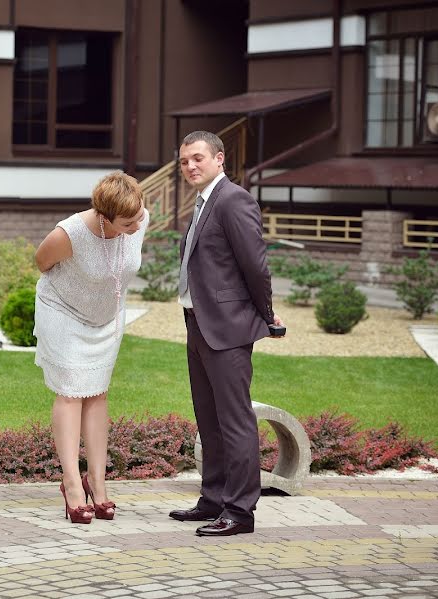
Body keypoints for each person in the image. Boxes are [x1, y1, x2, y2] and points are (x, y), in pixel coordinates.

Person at [167, 131, 284, 536]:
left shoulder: (234, 199)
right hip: (197, 326)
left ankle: (239, 512)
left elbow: (256, 266)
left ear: (219, 159)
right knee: (209, 419)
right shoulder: (201, 204)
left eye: (197, 158)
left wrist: (267, 315)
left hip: (228, 329)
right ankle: (213, 499)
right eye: (184, 162)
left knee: (234, 421)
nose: (190, 167)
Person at [33, 171, 149, 524]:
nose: (136, 225)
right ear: (104, 216)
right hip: (64, 312)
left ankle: (97, 481)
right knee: (70, 393)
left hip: (107, 320)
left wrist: (135, 223)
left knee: (97, 392)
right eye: (127, 223)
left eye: (138, 218)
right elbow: (42, 263)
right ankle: (71, 484)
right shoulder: (71, 233)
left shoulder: (138, 217)